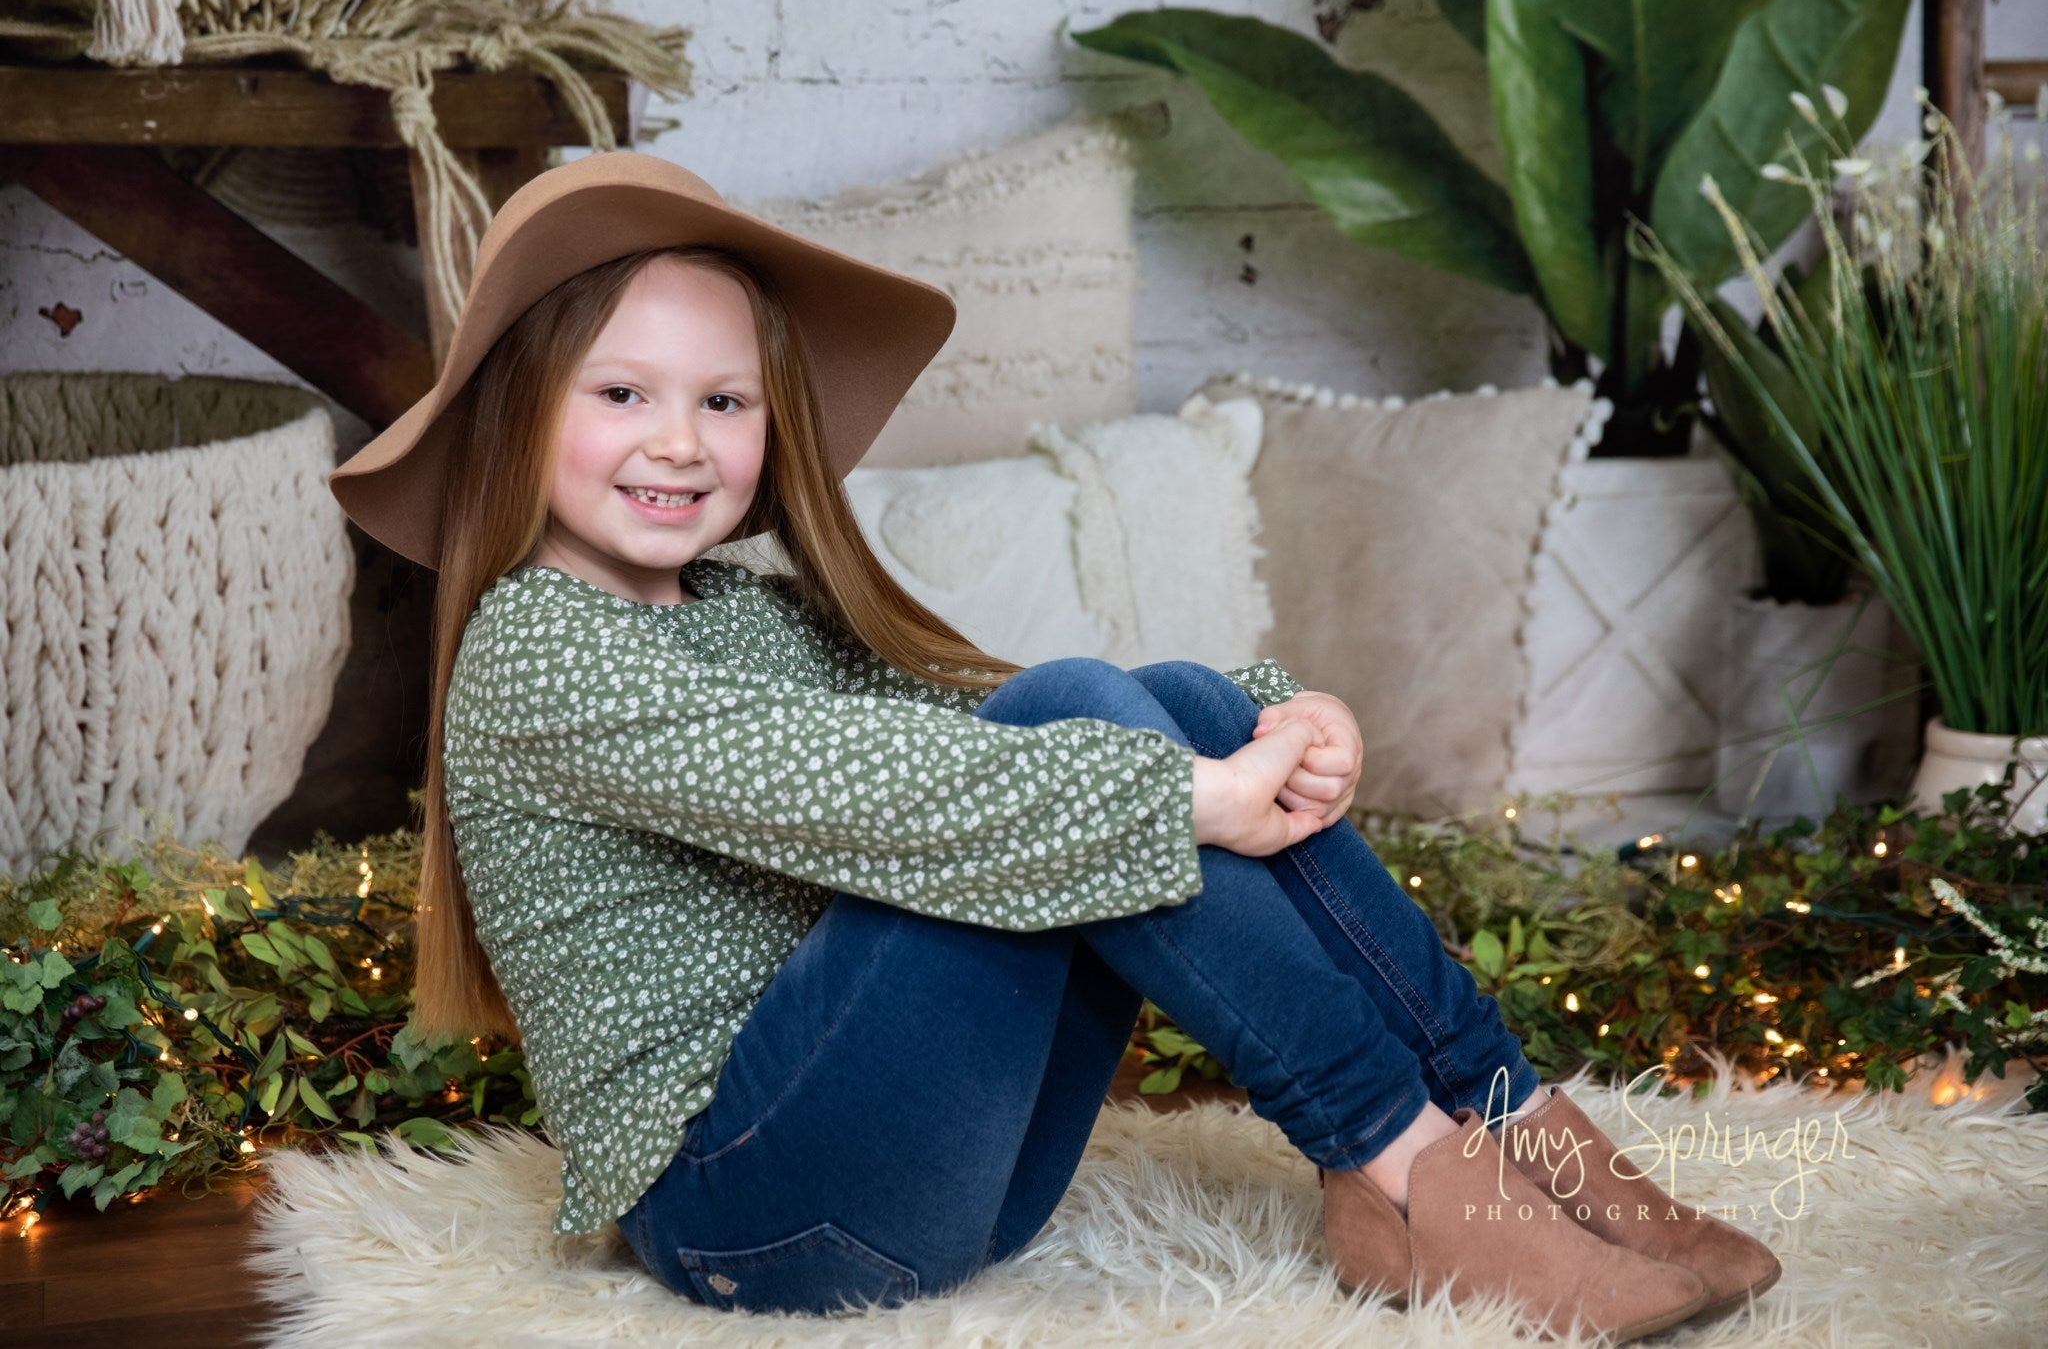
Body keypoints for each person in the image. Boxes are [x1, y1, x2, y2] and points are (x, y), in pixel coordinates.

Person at [326, 151, 1778, 1341]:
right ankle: (1399, 1168)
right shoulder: (536, 649)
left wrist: (1266, 725)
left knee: (1157, 701)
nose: (681, 443)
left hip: (936, 1175)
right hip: (751, 1212)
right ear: (525, 408)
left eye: (725, 402)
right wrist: (1192, 797)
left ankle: (1514, 1125)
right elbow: (886, 784)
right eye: (623, 394)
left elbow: (976, 722)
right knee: (1084, 725)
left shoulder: (750, 612)